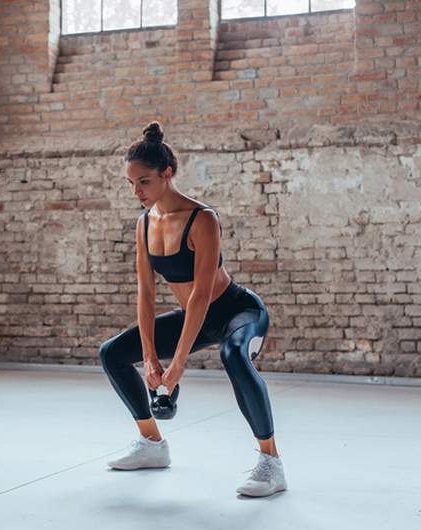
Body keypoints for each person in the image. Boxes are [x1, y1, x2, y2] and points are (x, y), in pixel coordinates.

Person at [98, 121, 288, 497]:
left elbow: (202, 294)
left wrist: (178, 364)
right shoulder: (144, 224)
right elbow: (146, 294)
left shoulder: (203, 219)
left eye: (144, 182)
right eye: (131, 183)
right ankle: (152, 444)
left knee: (234, 354)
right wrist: (151, 359)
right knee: (113, 353)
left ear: (167, 174)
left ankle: (271, 463)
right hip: (195, 318)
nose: (137, 191)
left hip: (236, 312)